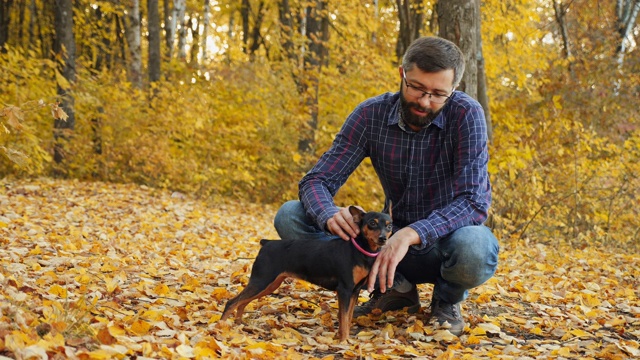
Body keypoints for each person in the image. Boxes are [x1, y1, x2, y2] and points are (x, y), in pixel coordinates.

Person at [273, 36, 499, 336]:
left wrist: (413, 233)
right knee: (291, 215)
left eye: (437, 94)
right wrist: (327, 212)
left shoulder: (466, 115)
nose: (424, 101)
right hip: (379, 245)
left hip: (441, 245)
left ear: (453, 90)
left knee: (476, 245)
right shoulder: (371, 115)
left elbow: (474, 201)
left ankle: (447, 301)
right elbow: (316, 180)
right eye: (416, 87)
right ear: (402, 74)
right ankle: (395, 289)